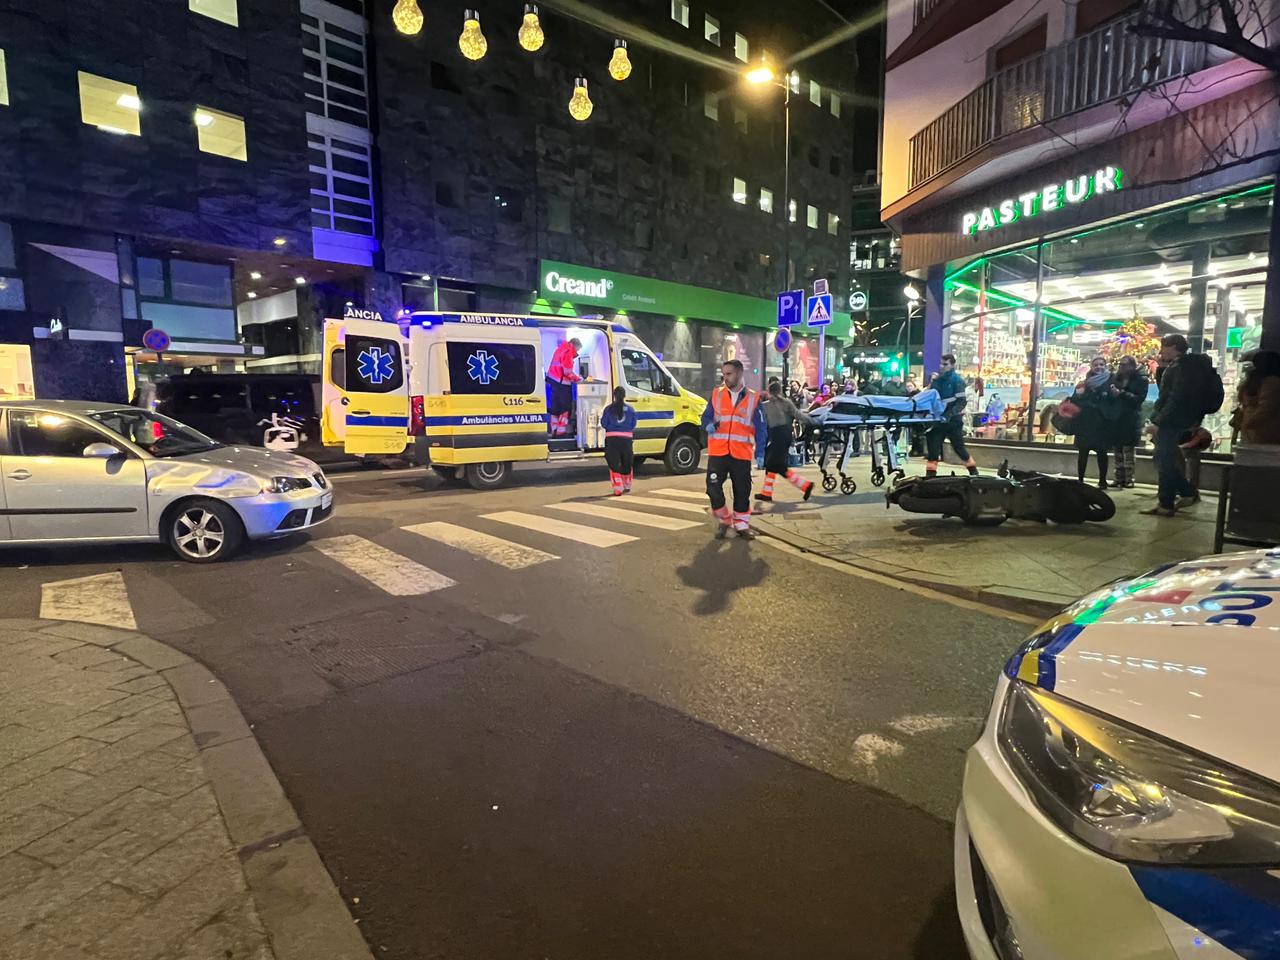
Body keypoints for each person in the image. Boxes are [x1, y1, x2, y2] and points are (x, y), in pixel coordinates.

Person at [1142, 334, 1220, 516]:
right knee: (1164, 460)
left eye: (1164, 347)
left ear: (1173, 347)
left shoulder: (1183, 367)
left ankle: (1172, 500)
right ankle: (1177, 496)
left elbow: (1176, 397)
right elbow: (1167, 392)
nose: (1161, 351)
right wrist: (1162, 368)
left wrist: (1160, 422)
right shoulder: (1178, 366)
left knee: (1164, 461)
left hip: (1173, 421)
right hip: (1176, 420)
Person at [701, 359, 766, 538]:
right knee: (712, 488)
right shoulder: (717, 394)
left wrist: (760, 452)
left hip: (741, 452)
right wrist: (707, 424)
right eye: (724, 374)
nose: (725, 377)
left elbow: (761, 428)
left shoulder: (753, 398)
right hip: (718, 452)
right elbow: (705, 417)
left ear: (739, 373)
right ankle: (724, 519)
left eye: (729, 374)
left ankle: (742, 525)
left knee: (742, 490)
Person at [755, 380, 815, 503]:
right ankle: (766, 493)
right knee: (771, 464)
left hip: (777, 436)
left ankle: (805, 485)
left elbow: (757, 419)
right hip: (785, 435)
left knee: (777, 466)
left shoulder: (765, 405)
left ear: (769, 392)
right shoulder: (786, 402)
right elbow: (798, 415)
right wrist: (813, 421)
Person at [925, 354, 978, 478]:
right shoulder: (937, 381)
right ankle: (930, 476)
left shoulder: (957, 381)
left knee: (959, 448)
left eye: (945, 364)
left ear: (952, 365)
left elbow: (962, 402)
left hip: (953, 421)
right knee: (933, 450)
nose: (942, 366)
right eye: (941, 364)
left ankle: (974, 472)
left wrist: (949, 414)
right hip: (938, 420)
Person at [1071, 356, 1114, 487]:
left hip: (1102, 423)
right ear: (1091, 367)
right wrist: (1079, 394)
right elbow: (1075, 401)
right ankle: (1080, 480)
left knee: (1102, 453)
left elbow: (1113, 402)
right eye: (1096, 365)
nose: (1099, 367)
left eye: (1101, 364)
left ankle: (1102, 480)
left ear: (1105, 366)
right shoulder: (1084, 383)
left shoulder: (1111, 381)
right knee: (1083, 453)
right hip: (1085, 423)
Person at [1109, 355, 1149, 488]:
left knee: (1128, 451)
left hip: (1130, 419)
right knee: (1117, 451)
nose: (1121, 367)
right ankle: (1118, 478)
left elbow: (1139, 399)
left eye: (1124, 364)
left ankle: (1129, 479)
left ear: (1132, 366)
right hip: (1116, 418)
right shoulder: (1116, 378)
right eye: (1120, 364)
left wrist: (1121, 393)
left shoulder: (1141, 379)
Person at [1230, 349, 1280, 444]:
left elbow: (1266, 408)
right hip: (1253, 435)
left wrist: (1248, 423)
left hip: (1265, 437)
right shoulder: (1255, 382)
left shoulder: (1272, 383)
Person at [600, 386, 636, 496]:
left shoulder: (608, 409)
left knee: (614, 463)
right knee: (626, 461)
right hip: (626, 439)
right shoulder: (630, 410)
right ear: (624, 396)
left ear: (614, 396)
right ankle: (627, 484)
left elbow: (604, 423)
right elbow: (633, 424)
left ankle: (618, 487)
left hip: (612, 439)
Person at [546, 336, 582, 437]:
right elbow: (567, 372)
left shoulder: (560, 349)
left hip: (553, 381)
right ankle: (561, 432)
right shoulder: (568, 352)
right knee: (565, 409)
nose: (577, 352)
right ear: (574, 345)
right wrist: (579, 379)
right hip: (562, 384)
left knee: (555, 409)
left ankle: (554, 430)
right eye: (577, 349)